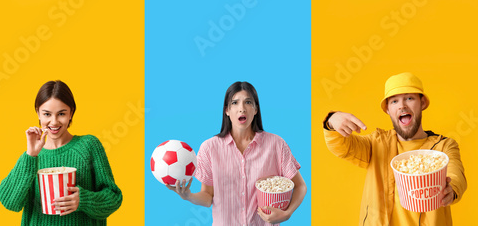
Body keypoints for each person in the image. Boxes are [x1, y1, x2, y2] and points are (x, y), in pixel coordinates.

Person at [323, 72, 466, 225]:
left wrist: (452, 189)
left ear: (422, 103)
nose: (402, 105)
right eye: (394, 101)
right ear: (388, 110)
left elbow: (455, 172)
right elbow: (342, 147)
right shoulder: (376, 144)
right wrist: (332, 120)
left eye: (409, 98)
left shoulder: (444, 146)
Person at [169, 81, 307, 225]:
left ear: (255, 109)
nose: (242, 108)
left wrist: (287, 213)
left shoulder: (276, 144)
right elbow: (208, 196)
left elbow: (300, 186)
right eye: (235, 103)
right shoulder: (209, 148)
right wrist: (188, 195)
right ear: (226, 110)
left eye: (248, 102)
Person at [0, 80, 123, 225]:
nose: (54, 122)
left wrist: (84, 200)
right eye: (47, 114)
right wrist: (30, 155)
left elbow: (114, 198)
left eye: (61, 114)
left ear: (71, 112)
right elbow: (9, 202)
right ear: (38, 113)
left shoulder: (88, 146)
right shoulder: (30, 158)